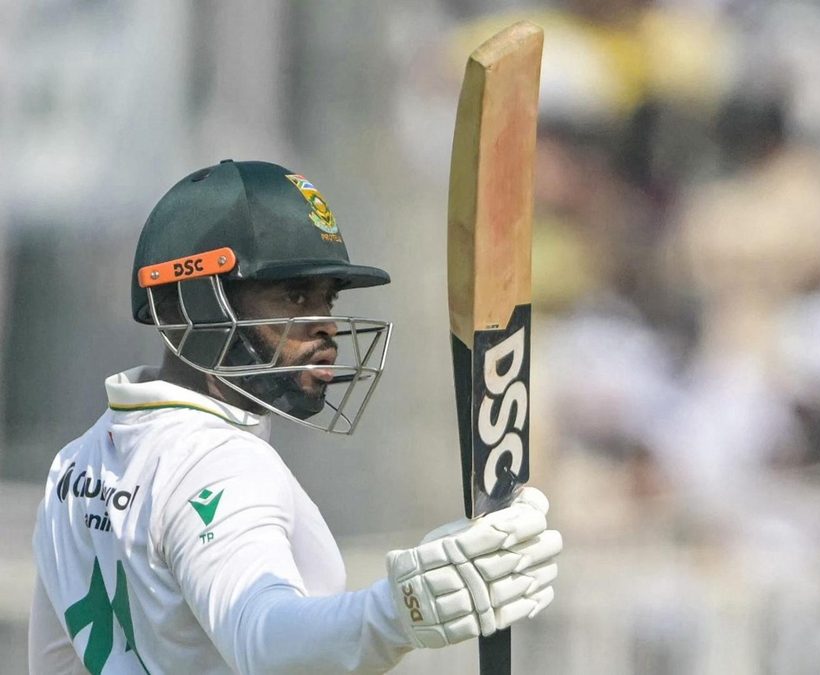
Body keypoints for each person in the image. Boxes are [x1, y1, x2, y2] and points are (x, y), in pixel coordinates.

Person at [28, 160, 561, 674]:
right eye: (294, 294)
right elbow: (262, 638)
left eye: (326, 300)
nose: (324, 326)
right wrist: (397, 614)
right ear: (182, 305)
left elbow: (52, 662)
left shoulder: (75, 467)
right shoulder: (222, 463)